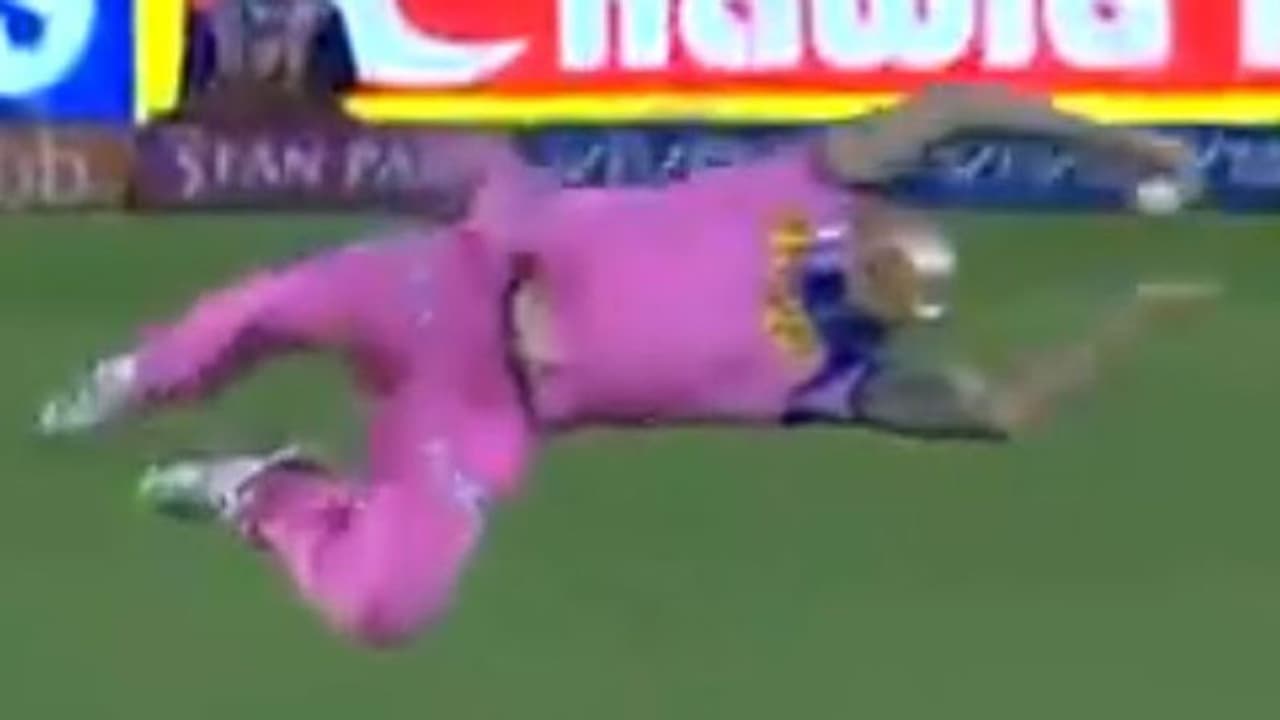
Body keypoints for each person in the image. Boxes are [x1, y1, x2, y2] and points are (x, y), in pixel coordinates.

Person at [37, 84, 1216, 648]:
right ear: (873, 221)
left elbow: (999, 409)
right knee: (269, 308)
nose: (870, 260)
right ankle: (143, 380)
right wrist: (1119, 143)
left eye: (890, 284)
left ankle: (265, 492)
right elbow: (953, 106)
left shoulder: (819, 378)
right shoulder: (801, 186)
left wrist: (1129, 323)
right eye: (880, 244)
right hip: (457, 283)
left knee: (386, 606)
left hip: (490, 411)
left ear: (893, 309)